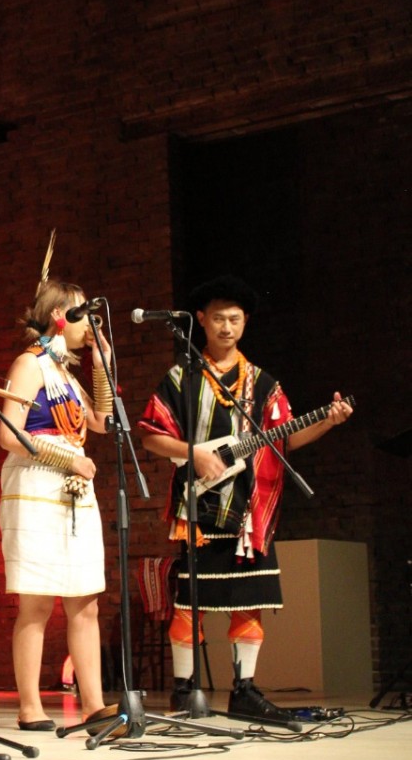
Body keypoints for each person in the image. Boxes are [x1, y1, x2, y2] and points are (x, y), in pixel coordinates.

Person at [139, 275, 352, 723]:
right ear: (201, 320)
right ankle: (184, 690)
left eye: (235, 319)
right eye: (218, 318)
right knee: (190, 601)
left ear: (245, 323)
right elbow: (151, 436)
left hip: (249, 513)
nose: (227, 327)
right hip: (199, 510)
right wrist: (194, 453)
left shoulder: (263, 383)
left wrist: (328, 422)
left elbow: (284, 439)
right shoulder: (180, 378)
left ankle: (245, 691)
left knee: (249, 600)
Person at [0, 238, 116, 733]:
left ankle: (94, 704)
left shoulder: (67, 374)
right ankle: (30, 706)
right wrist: (67, 457)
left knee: (85, 600)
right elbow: (8, 434)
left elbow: (102, 423)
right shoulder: (31, 364)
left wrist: (102, 366)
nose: (92, 326)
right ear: (59, 318)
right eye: (84, 316)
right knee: (38, 602)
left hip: (74, 489)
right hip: (37, 489)